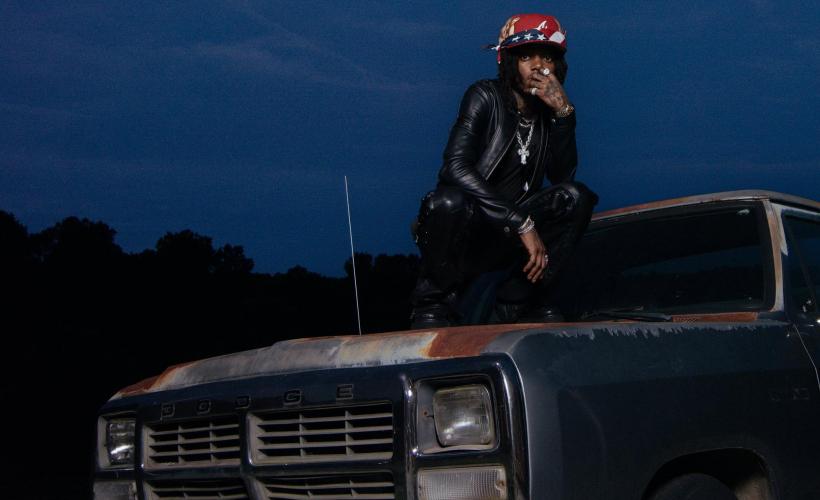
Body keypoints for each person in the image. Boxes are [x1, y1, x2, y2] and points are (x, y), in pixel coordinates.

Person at [410, 13, 598, 328]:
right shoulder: (484, 95)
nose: (538, 67)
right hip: (474, 227)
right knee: (446, 201)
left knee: (576, 197)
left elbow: (562, 179)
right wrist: (520, 221)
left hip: (513, 239)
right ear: (508, 62)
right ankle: (433, 304)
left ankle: (519, 301)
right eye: (526, 57)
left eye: (547, 57)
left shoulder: (549, 113)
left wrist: (564, 115)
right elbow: (454, 166)